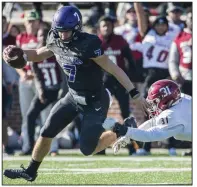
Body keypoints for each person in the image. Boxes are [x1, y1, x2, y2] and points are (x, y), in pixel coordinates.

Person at [3, 6, 148, 181]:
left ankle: (120, 131)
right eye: (60, 31)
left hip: (95, 100)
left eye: (67, 31)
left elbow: (114, 69)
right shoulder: (55, 38)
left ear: (77, 28)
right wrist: (21, 56)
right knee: (46, 131)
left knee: (87, 149)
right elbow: (39, 54)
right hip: (73, 96)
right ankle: (31, 170)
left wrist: (134, 93)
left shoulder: (88, 44)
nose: (63, 35)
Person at [111, 79, 192, 154]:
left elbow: (151, 135)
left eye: (155, 101)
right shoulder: (180, 99)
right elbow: (153, 122)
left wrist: (126, 131)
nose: (153, 106)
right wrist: (127, 136)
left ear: (167, 100)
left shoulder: (173, 113)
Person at [168, 11, 192, 96]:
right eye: (191, 18)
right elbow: (172, 60)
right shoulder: (180, 37)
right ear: (186, 20)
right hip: (185, 78)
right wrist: (176, 75)